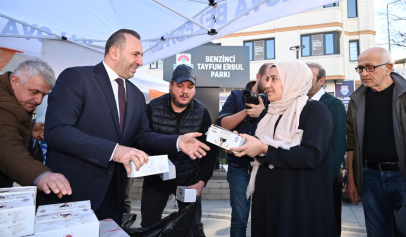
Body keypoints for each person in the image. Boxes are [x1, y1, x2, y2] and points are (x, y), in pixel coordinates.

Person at [38, 29, 210, 225]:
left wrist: (177, 142)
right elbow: (58, 131)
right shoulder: (77, 78)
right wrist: (114, 151)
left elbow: (143, 136)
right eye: (135, 54)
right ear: (114, 52)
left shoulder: (136, 96)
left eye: (141, 55)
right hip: (72, 192)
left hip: (114, 197)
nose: (141, 61)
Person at [230, 61, 336, 237]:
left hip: (297, 201)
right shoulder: (269, 114)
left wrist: (264, 148)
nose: (267, 85)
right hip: (267, 199)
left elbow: (311, 156)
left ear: (292, 80)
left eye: (274, 79)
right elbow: (262, 153)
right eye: (267, 79)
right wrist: (243, 145)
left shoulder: (315, 111)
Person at [140, 64, 218, 235]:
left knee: (193, 227)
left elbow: (210, 151)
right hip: (156, 181)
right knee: (149, 227)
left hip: (188, 181)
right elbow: (142, 140)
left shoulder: (201, 112)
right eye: (180, 86)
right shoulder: (153, 108)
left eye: (190, 87)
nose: (185, 91)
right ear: (170, 86)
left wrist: (201, 181)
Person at [346, 47, 406, 236]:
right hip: (370, 177)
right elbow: (351, 142)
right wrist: (352, 181)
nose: (364, 73)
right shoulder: (356, 101)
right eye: (360, 68)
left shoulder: (403, 96)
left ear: (389, 67)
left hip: (402, 176)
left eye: (370, 67)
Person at [0, 59, 71, 197]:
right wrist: (40, 174)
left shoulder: (9, 93)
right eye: (34, 92)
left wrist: (28, 127)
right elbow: (7, 148)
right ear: (14, 81)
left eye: (44, 94)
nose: (39, 100)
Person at [217, 63, 271, 237]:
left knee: (263, 219)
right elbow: (222, 124)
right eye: (267, 78)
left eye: (273, 79)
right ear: (258, 77)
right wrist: (246, 111)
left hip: (263, 169)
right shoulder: (236, 95)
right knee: (239, 219)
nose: (270, 83)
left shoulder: (274, 99)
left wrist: (263, 112)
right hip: (238, 167)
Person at [307, 62, 346, 236]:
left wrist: (328, 177)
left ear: (321, 81)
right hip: (307, 177)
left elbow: (338, 143)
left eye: (309, 78)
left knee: (328, 225)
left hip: (326, 179)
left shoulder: (333, 104)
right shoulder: (299, 103)